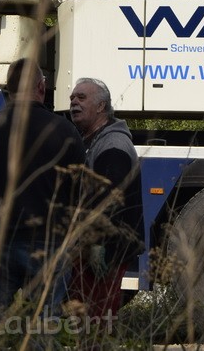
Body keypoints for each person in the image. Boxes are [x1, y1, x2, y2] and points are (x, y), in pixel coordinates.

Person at [0, 58, 85, 322]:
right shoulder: (65, 131)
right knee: (41, 329)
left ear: (8, 89)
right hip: (47, 246)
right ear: (41, 87)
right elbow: (80, 194)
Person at [68, 77, 144, 321]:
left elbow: (111, 202)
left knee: (95, 319)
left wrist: (98, 246)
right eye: (72, 98)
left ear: (101, 107)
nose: (73, 103)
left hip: (105, 252)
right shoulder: (93, 140)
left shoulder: (113, 146)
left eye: (81, 98)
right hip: (94, 250)